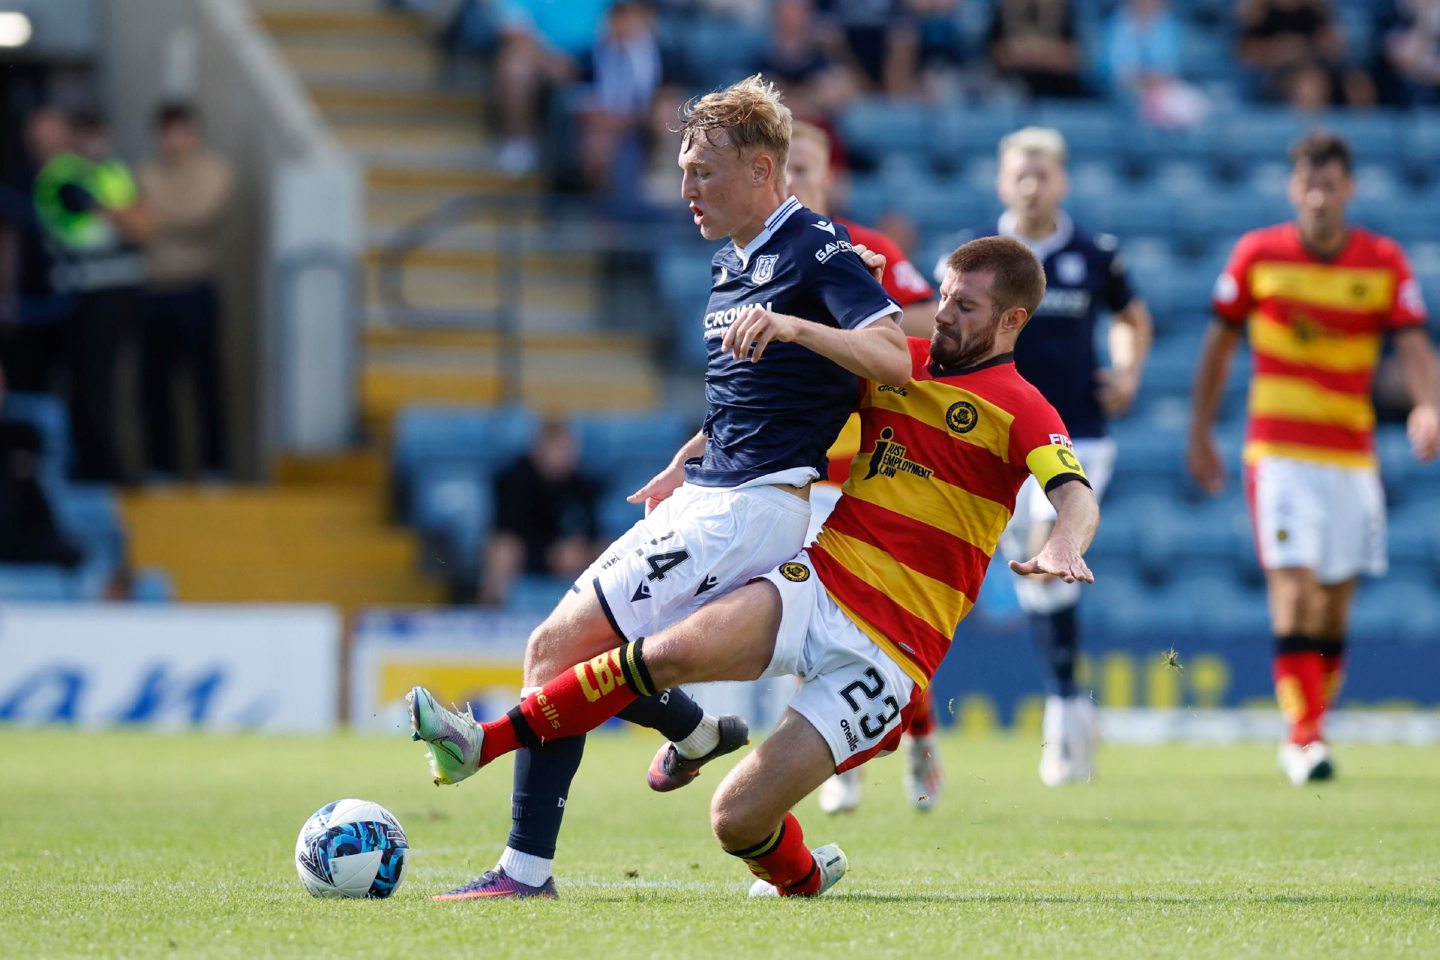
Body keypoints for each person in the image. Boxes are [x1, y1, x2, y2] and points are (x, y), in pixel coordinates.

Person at [410, 236, 1100, 898]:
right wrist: (687, 465)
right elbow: (772, 412)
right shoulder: (897, 363)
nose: (944, 313)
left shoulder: (1023, 408)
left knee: (735, 819)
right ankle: (484, 744)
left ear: (1013, 320)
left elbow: (1073, 492)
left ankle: (803, 875)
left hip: (892, 653)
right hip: (821, 585)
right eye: (945, 297)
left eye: (966, 307)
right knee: (666, 653)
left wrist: (1066, 542)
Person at [408, 74, 909, 899]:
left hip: (754, 508)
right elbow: (757, 397)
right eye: (680, 170)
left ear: (759, 168)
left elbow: (890, 356)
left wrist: (793, 323)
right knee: (563, 653)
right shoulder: (728, 262)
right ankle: (694, 732)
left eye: (701, 173)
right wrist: (690, 454)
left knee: (552, 653)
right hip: (713, 491)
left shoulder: (817, 247)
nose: (684, 190)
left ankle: (524, 863)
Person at [1188, 131, 1439, 787]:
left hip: (1352, 457)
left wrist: (1428, 404)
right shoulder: (1258, 255)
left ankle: (1311, 722)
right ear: (1293, 188)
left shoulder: (1381, 260)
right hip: (1278, 452)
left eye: (1331, 184)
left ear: (1349, 188)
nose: (1320, 196)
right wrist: (1200, 429)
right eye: (1309, 184)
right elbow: (1217, 346)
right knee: (1295, 591)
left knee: (1332, 606)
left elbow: (1414, 344)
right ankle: (1305, 735)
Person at [926, 127, 1152, 787]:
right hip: (994, 428)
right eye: (1020, 175)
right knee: (1036, 571)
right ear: (1002, 182)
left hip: (1078, 432)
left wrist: (1129, 370)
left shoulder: (1093, 254)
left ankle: (1060, 715)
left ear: (1063, 181)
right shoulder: (975, 255)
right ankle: (1071, 699)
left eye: (1043, 175)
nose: (1031, 186)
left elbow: (1133, 318)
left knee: (1041, 540)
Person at [785, 119, 942, 814]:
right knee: (798, 623)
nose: (791, 180)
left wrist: (860, 318)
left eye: (804, 167)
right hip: (791, 473)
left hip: (866, 475)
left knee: (881, 625)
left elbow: (931, 322)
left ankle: (921, 736)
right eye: (781, 166)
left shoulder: (865, 247)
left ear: (829, 178)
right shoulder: (758, 254)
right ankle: (832, 765)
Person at [32, 109, 150, 483]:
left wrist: (123, 216)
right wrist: (124, 215)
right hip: (82, 296)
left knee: (110, 384)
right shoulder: (62, 174)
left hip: (120, 292)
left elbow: (144, 226)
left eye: (98, 131)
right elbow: (118, 216)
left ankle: (103, 463)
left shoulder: (113, 171)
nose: (93, 141)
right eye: (84, 132)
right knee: (88, 386)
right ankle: (96, 466)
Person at [136, 101, 235, 482]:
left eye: (181, 131)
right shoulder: (145, 171)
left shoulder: (216, 170)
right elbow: (135, 223)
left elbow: (200, 214)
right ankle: (162, 467)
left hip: (196, 287)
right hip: (155, 289)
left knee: (206, 383)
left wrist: (153, 217)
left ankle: (214, 466)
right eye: (167, 131)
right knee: (154, 386)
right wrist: (147, 219)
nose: (173, 140)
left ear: (194, 133)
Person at [479, 419, 604, 605]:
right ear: (539, 449)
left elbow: (591, 529)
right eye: (557, 448)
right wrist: (549, 554)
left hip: (568, 554)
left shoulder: (583, 485)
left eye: (568, 449)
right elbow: (510, 529)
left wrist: (578, 548)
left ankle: (608, 617)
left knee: (607, 549)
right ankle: (490, 612)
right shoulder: (515, 479)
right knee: (503, 550)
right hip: (529, 553)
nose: (564, 455)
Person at [986, 0, 1084, 100]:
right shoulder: (1004, 11)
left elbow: (1071, 58)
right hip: (1011, 91)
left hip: (1059, 95)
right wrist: (1045, 52)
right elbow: (995, 56)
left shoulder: (1063, 12)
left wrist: (1024, 53)